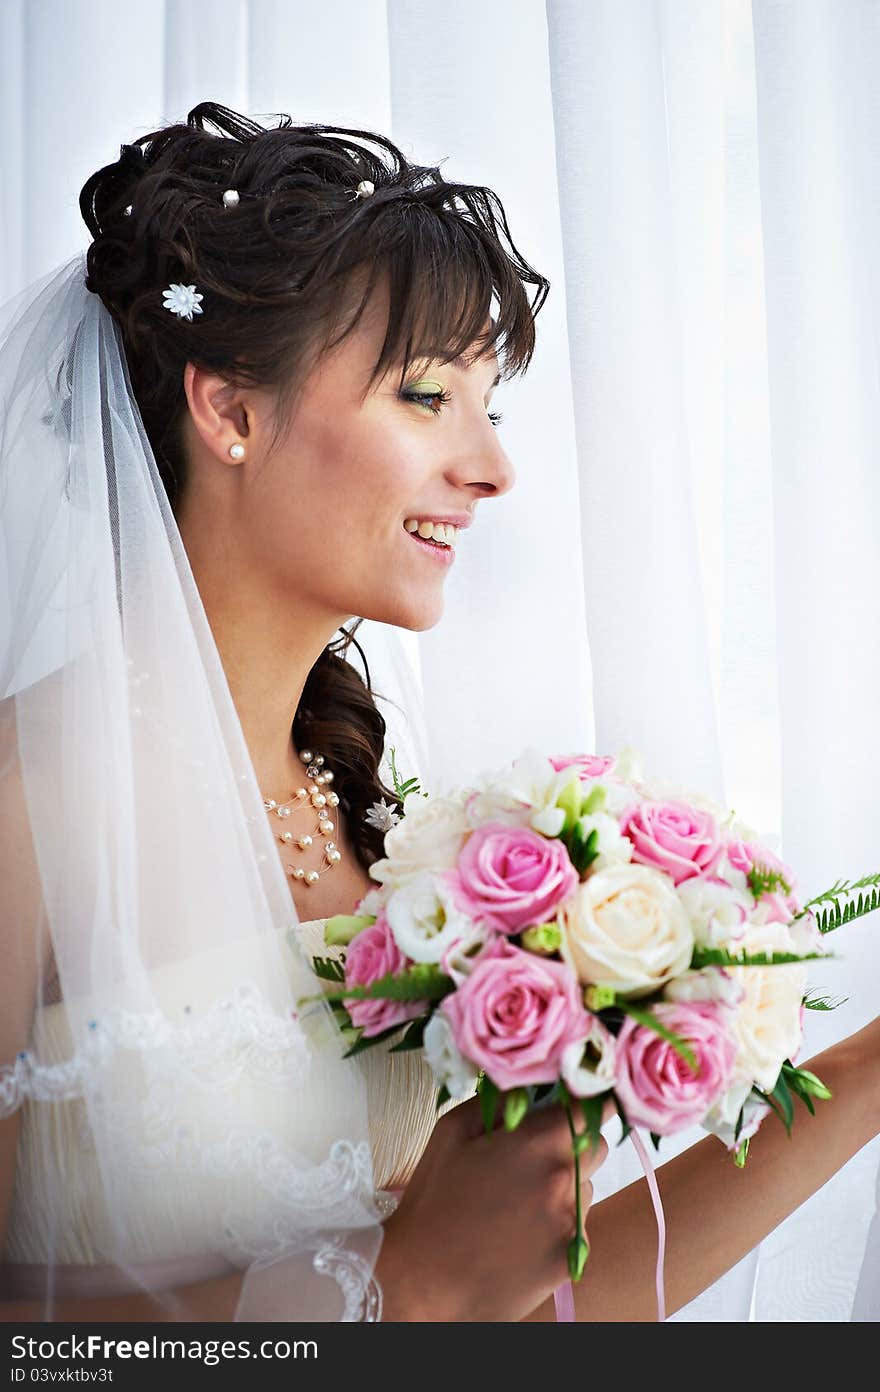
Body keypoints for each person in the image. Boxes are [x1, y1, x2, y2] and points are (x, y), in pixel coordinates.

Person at [0, 102, 877, 1325]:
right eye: (425, 396)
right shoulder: (28, 802)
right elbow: (409, 1299)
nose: (491, 467)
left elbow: (506, 1313)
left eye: (490, 407)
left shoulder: (369, 819)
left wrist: (866, 1070)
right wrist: (395, 1283)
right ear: (231, 412)